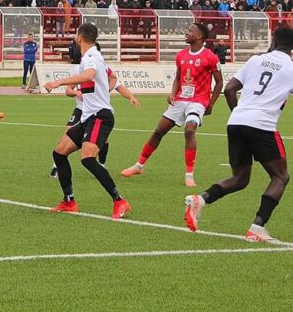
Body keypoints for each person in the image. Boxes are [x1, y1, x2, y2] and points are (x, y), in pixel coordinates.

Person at [184, 26, 293, 243]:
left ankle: (201, 199)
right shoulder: (290, 67)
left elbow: (229, 89)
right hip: (262, 124)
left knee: (240, 178)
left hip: (236, 121)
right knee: (281, 176)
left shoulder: (254, 60)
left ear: (273, 40)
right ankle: (257, 227)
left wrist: (240, 114)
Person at [44, 23, 131, 219]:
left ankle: (119, 201)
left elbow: (89, 75)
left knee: (88, 159)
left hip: (100, 115)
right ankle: (69, 201)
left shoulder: (91, 56)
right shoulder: (92, 56)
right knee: (59, 153)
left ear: (79, 37)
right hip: (88, 116)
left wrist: (59, 82)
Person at [121, 23, 224, 187]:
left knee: (189, 130)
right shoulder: (181, 55)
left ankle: (189, 175)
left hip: (198, 101)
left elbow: (219, 83)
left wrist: (210, 104)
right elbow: (178, 77)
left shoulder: (210, 56)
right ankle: (139, 166)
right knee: (158, 131)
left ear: (199, 36)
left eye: (190, 31)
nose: (186, 32)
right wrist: (173, 93)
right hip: (181, 100)